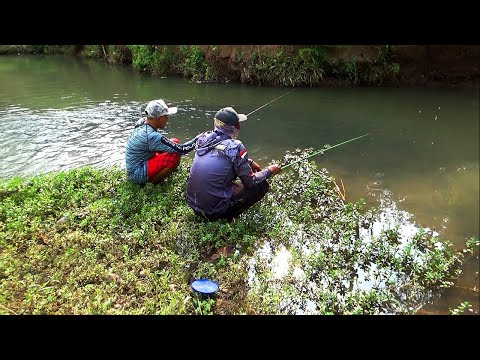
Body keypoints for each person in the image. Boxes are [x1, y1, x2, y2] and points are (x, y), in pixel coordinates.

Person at [186, 106, 282, 221]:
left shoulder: (203, 138)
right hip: (214, 212)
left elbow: (219, 152)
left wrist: (249, 162)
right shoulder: (236, 146)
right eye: (237, 124)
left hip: (193, 206)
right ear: (235, 127)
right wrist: (270, 170)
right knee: (261, 185)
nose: (239, 127)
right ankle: (228, 219)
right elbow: (250, 182)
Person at [125, 99, 198, 185]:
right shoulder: (151, 136)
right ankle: (152, 185)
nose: (168, 119)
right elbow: (182, 150)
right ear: (158, 118)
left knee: (175, 142)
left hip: (137, 163)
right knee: (174, 155)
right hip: (136, 173)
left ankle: (161, 173)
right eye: (166, 116)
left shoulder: (142, 122)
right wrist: (198, 139)